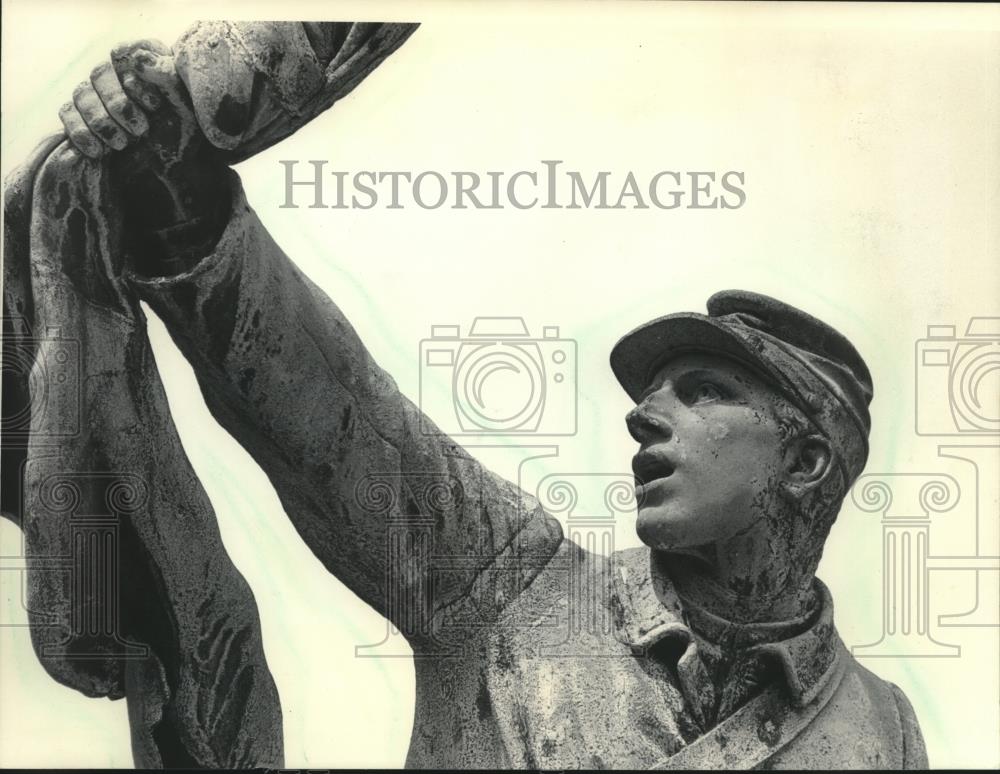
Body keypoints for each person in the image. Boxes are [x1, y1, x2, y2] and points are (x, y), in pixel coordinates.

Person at [54, 36, 928, 769]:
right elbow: (331, 410)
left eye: (705, 392)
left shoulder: (885, 731)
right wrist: (178, 198)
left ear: (807, 461)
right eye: (650, 391)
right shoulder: (504, 585)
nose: (644, 413)